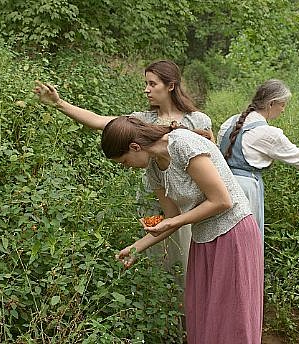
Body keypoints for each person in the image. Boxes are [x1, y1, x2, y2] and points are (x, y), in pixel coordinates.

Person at [33, 60, 214, 284]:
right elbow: (99, 121)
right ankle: (162, 307)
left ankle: (187, 313)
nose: (146, 89)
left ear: (170, 86)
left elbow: (213, 162)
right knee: (157, 262)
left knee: (186, 263)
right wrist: (59, 103)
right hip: (155, 198)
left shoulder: (197, 120)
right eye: (145, 83)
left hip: (188, 202)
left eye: (152, 83)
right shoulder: (143, 120)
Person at [101, 116, 263, 344]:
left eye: (124, 161)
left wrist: (174, 223)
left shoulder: (183, 144)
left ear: (135, 147)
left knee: (231, 316)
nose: (126, 167)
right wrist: (136, 248)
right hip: (204, 238)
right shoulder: (154, 169)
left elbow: (221, 201)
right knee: (205, 314)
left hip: (233, 231)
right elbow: (171, 217)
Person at [217, 79, 299, 239]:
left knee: (224, 235)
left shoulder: (231, 121)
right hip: (245, 189)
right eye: (282, 104)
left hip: (221, 184)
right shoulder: (267, 133)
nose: (283, 110)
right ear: (271, 104)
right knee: (245, 238)